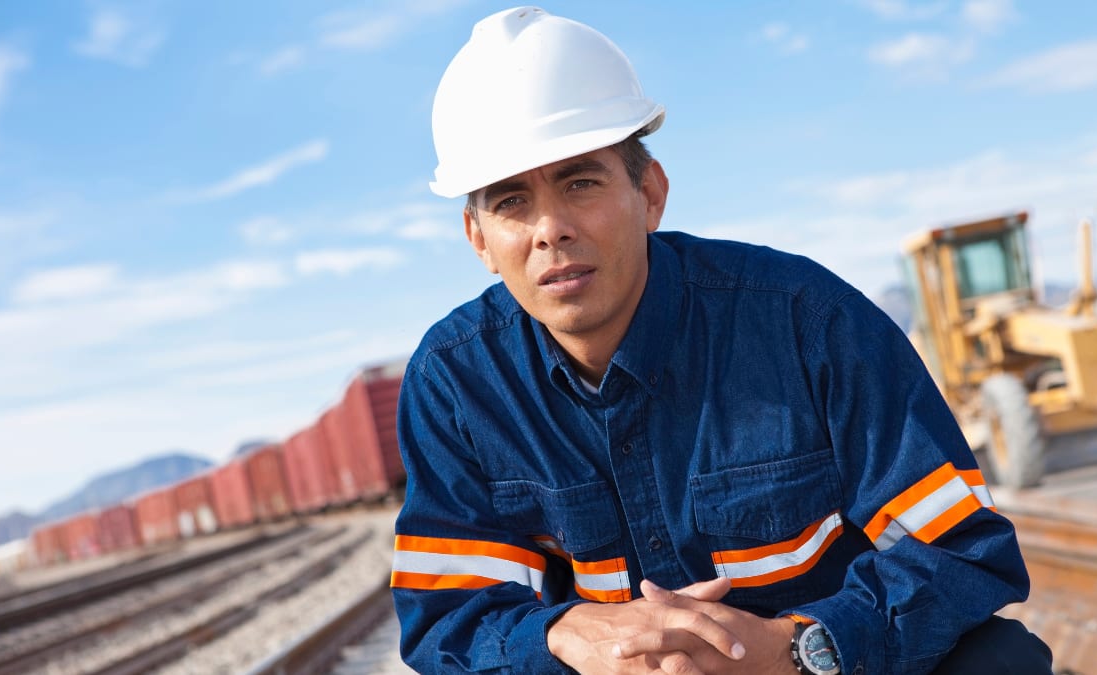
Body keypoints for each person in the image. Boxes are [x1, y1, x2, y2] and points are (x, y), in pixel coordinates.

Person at [390, 6, 1053, 674]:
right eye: (510, 201)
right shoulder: (456, 387)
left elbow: (963, 551)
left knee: (1001, 660)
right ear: (479, 240)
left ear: (650, 193)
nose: (549, 228)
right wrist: (567, 634)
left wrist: (801, 647)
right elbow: (448, 618)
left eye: (581, 182)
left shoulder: (806, 324)